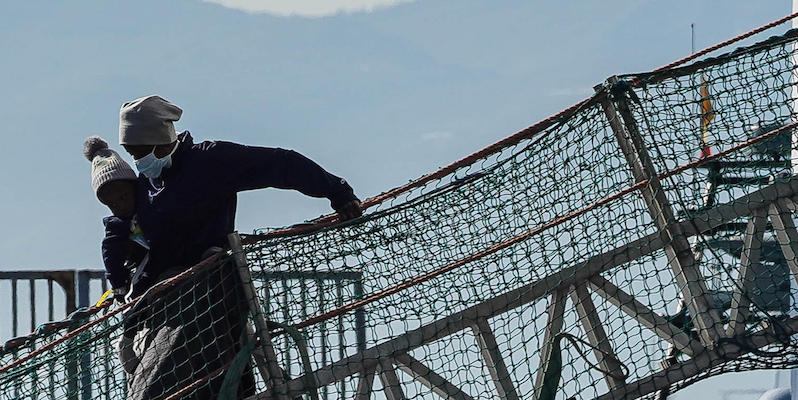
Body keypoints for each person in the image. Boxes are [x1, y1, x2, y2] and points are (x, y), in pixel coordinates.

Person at [117, 95, 363, 400]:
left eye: (141, 152)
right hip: (169, 298)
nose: (139, 162)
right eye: (132, 154)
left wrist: (337, 191)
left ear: (162, 140)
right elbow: (135, 242)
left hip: (210, 287)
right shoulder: (147, 184)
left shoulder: (208, 161)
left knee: (179, 384)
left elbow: (280, 163)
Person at [82, 136, 149, 379]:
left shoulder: (152, 205)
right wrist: (118, 285)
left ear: (134, 188)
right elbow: (110, 254)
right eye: (111, 204)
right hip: (140, 270)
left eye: (123, 197)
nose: (119, 205)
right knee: (136, 300)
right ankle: (128, 339)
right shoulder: (116, 225)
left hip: (166, 258)